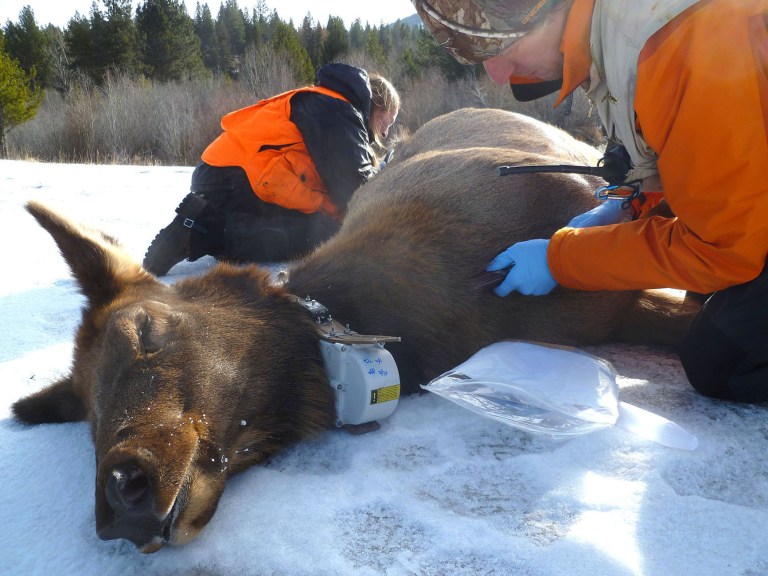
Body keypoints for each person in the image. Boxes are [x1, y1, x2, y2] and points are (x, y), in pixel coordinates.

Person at [412, 0, 768, 402]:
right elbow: (694, 158)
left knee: (723, 359)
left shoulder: (676, 44)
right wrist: (629, 207)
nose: (495, 74)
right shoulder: (617, 38)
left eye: (498, 46)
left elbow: (723, 251)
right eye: (472, 54)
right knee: (705, 301)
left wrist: (561, 261)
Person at [143, 63, 400, 276]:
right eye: (387, 121)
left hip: (225, 174)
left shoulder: (327, 103)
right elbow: (353, 189)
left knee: (315, 225)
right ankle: (204, 232)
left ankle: (206, 226)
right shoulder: (339, 111)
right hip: (236, 177)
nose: (386, 133)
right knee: (325, 236)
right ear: (374, 106)